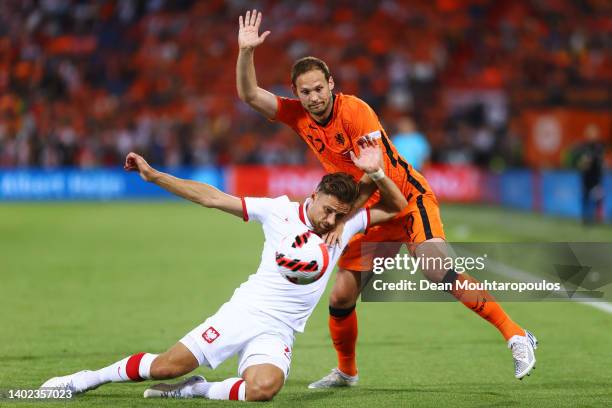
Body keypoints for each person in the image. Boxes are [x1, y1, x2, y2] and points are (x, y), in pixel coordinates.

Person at [235, 9, 538, 385]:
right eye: (305, 91)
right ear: (296, 92)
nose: (314, 97)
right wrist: (246, 52)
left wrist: (342, 222)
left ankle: (516, 335)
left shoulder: (356, 112)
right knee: (341, 297)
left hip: (404, 197)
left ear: (331, 84)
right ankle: (347, 373)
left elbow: (371, 176)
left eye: (319, 88)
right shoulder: (298, 116)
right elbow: (249, 94)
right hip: (364, 210)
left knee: (435, 268)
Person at [40, 141, 407, 401]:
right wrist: (155, 177)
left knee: (263, 390)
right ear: (313, 195)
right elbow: (211, 197)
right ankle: (84, 380)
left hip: (280, 329)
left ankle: (197, 389)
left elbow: (397, 206)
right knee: (167, 366)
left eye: (338, 214)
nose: (330, 220)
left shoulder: (344, 227)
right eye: (327, 210)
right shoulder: (277, 210)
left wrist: (375, 173)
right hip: (246, 312)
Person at [575, 124, 605, 225]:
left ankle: (597, 218)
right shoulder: (583, 147)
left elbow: (599, 161)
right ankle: (585, 218)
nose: (592, 135)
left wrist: (591, 160)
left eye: (594, 133)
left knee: (598, 199)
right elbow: (579, 163)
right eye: (590, 133)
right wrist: (583, 163)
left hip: (596, 178)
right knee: (585, 198)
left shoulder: (599, 147)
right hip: (586, 177)